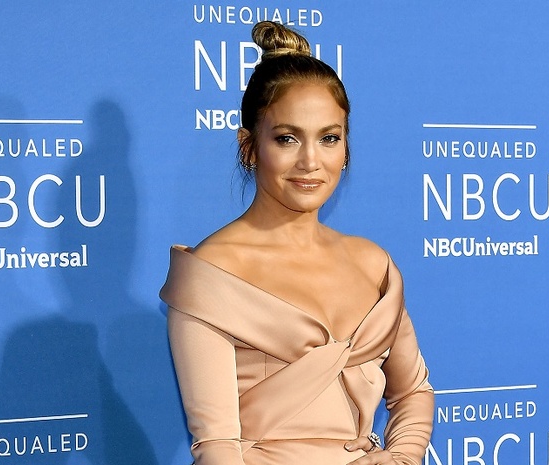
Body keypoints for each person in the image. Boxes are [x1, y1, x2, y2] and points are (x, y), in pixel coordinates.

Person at [160, 21, 433, 465]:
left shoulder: (372, 263)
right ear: (249, 147)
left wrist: (401, 457)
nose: (310, 161)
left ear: (345, 147)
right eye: (287, 138)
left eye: (329, 138)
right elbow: (217, 448)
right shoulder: (213, 273)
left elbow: (413, 392)